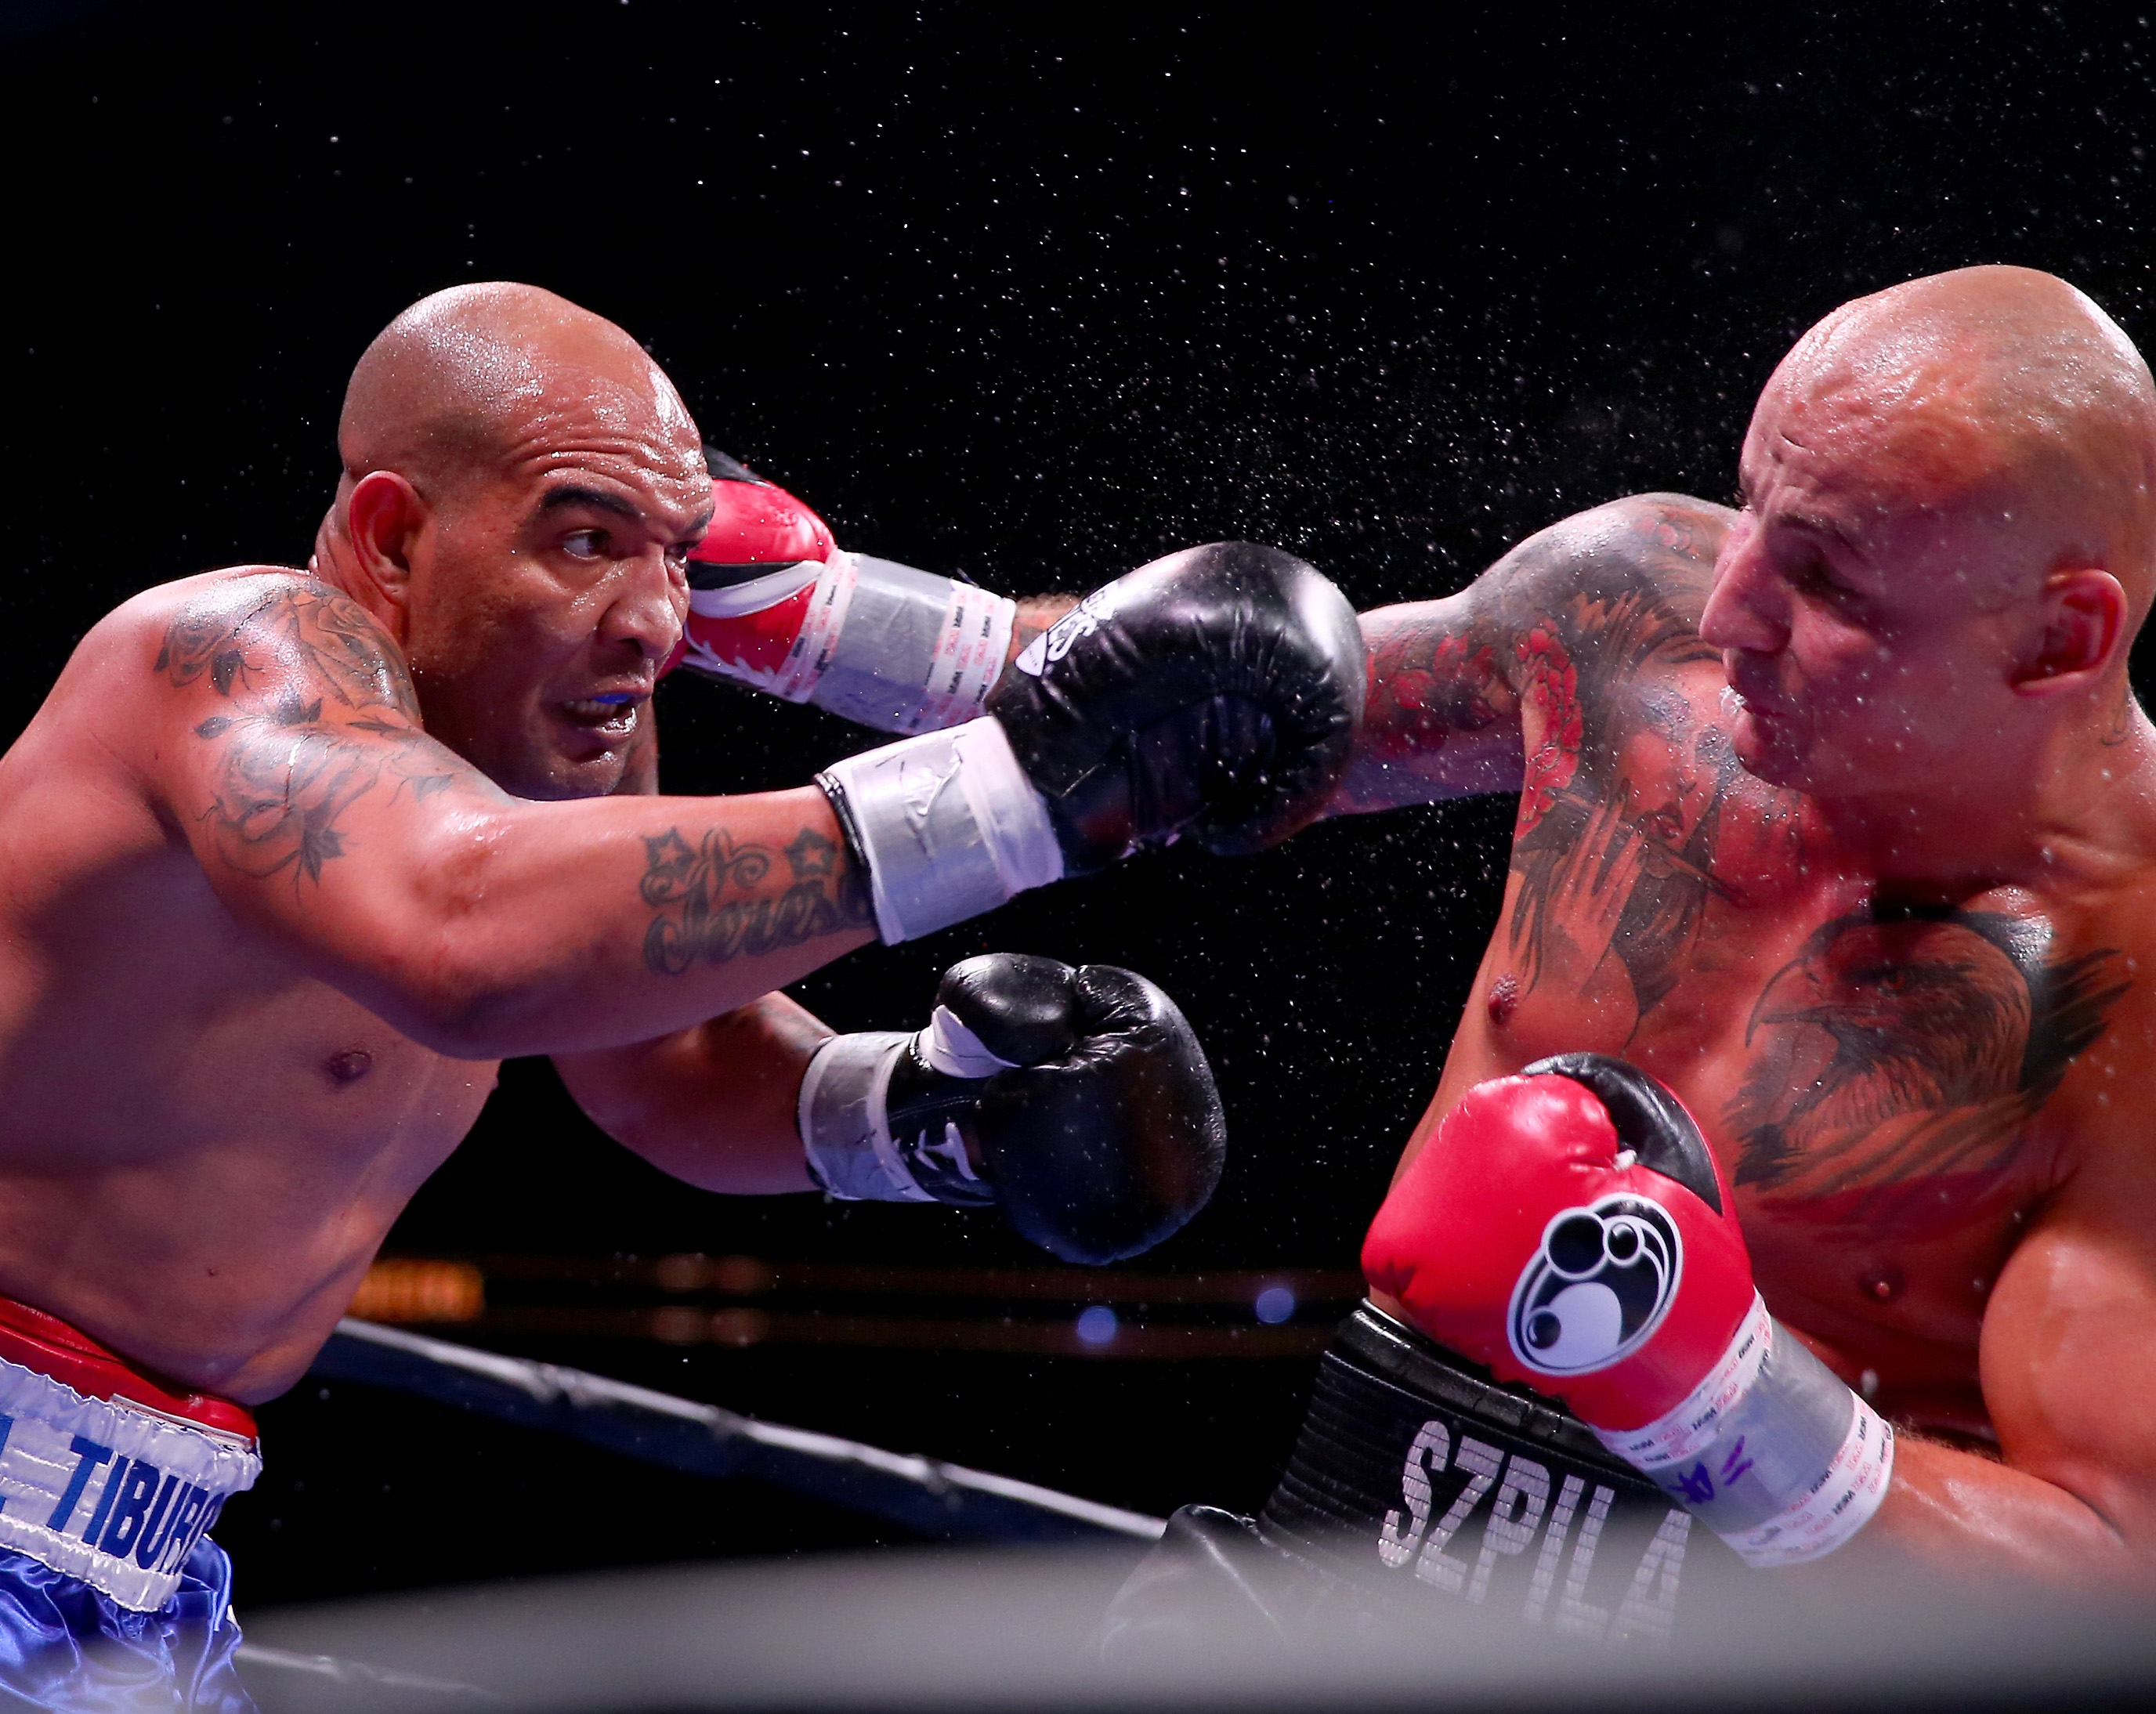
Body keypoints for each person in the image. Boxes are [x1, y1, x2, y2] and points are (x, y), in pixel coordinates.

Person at [0, 281, 1364, 1709]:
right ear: (396, 537)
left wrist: (928, 1118)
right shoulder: (226, 658)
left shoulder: (564, 738)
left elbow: (665, 1058)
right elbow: (458, 926)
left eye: (674, 554)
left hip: (150, 1554)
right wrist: (1017, 789)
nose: (654, 620)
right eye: (584, 541)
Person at [1101, 266, 2156, 1651]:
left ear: (2061, 636)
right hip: (1308, 1599)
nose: (1732, 599)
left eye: (1823, 571)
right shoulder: (1626, 625)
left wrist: (1711, 1385)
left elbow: (2111, 1604)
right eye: (1752, 505)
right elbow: (1189, 707)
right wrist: (836, 621)